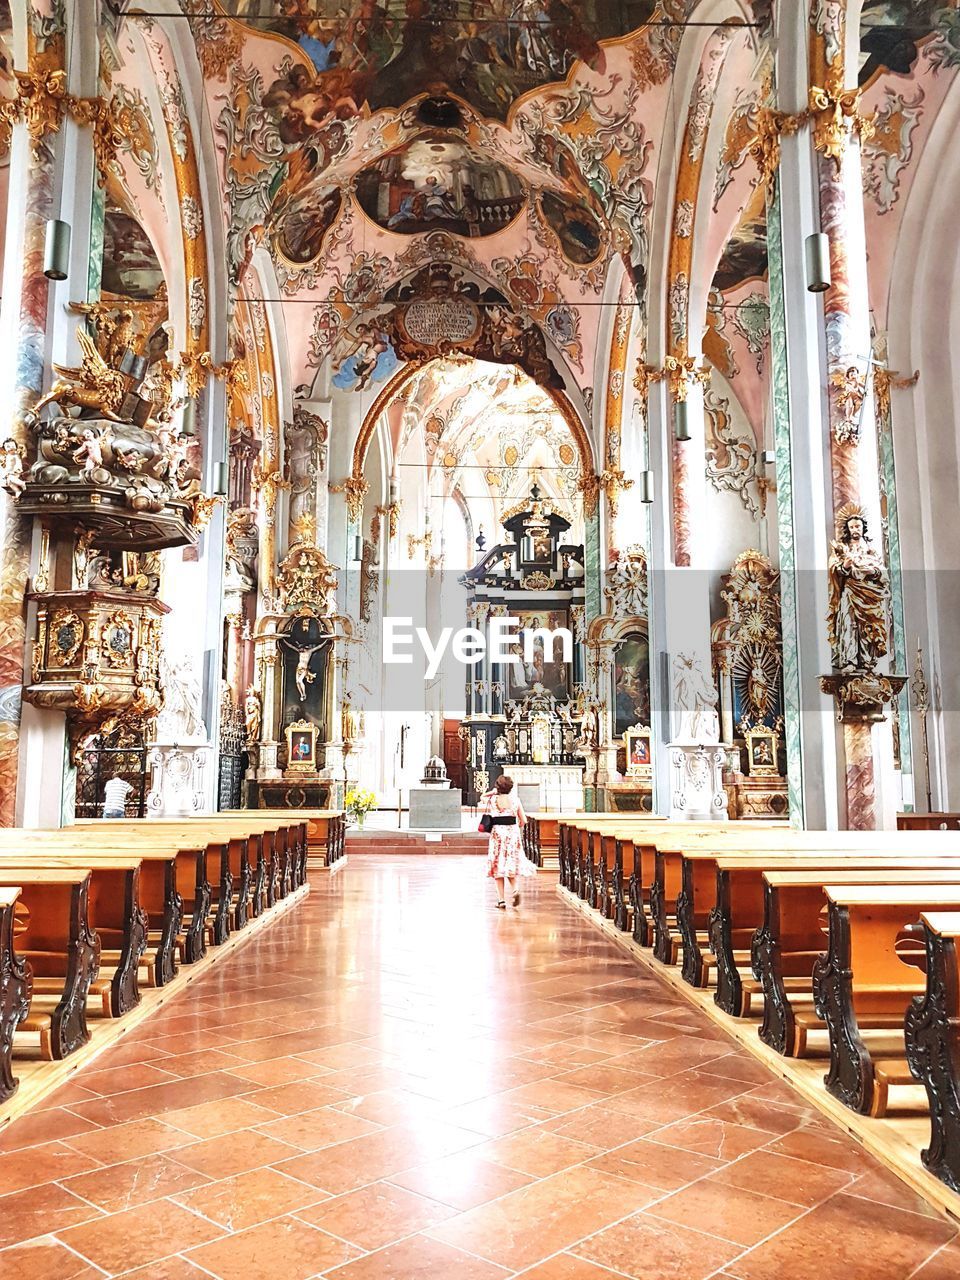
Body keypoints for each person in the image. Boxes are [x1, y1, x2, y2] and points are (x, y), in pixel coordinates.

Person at [481, 775, 532, 910]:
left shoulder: (492, 800)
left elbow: (482, 798)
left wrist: (491, 792)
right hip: (512, 834)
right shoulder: (515, 800)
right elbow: (524, 820)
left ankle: (501, 900)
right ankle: (515, 890)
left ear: (497, 787)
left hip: (497, 834)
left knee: (498, 865)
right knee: (510, 863)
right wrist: (517, 823)